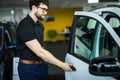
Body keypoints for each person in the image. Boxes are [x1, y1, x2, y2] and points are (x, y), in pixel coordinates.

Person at [16, 0, 72, 80]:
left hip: (42, 65)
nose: (45, 13)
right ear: (34, 8)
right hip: (28, 68)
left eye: (46, 10)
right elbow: (39, 51)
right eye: (43, 9)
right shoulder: (24, 25)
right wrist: (61, 64)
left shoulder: (40, 25)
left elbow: (41, 47)